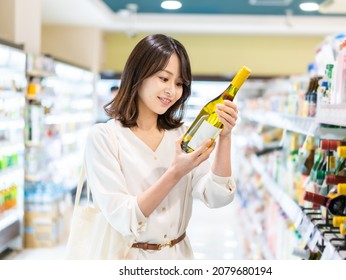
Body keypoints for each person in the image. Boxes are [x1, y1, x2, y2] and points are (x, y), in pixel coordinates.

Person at [84, 34, 238, 260]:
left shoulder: (183, 134)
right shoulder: (104, 137)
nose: (172, 91)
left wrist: (225, 136)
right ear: (138, 75)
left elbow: (216, 197)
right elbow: (123, 217)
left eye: (179, 83)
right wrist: (175, 172)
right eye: (163, 78)